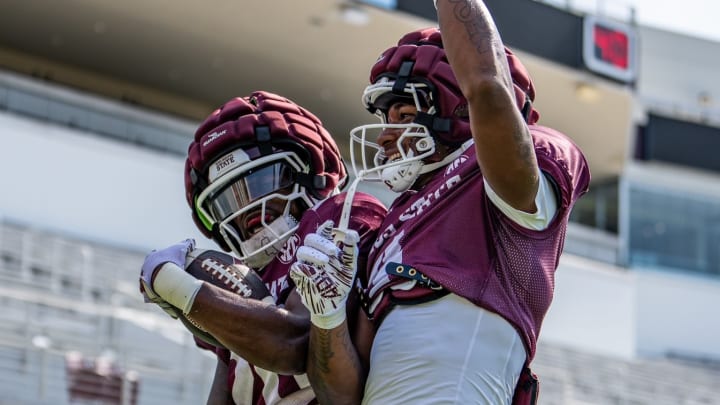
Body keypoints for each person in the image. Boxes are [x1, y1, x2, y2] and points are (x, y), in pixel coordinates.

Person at [289, 1, 591, 404]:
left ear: (459, 110)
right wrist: (327, 317)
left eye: (403, 113)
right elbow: (340, 397)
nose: (384, 136)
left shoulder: (497, 177)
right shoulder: (391, 230)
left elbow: (487, 87)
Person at [138, 91, 387, 404]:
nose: (246, 211)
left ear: (306, 170)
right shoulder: (248, 278)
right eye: (228, 202)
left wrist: (178, 286)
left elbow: (294, 340)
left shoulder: (343, 213)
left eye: (257, 184)